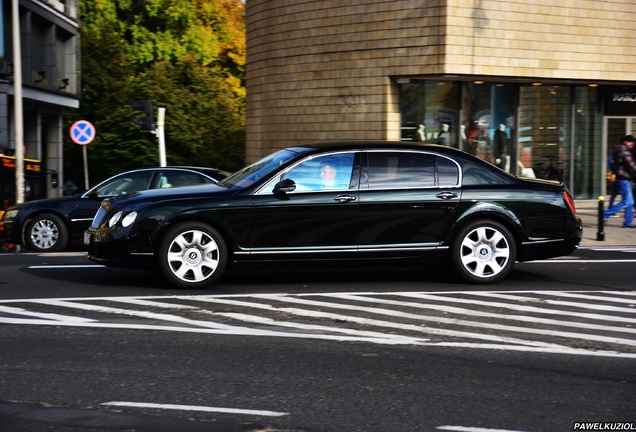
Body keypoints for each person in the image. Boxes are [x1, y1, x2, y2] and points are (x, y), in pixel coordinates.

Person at [604, 135, 636, 227]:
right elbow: (631, 164)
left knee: (630, 202)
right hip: (623, 178)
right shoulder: (624, 150)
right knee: (626, 201)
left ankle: (627, 222)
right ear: (626, 141)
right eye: (631, 142)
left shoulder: (619, 148)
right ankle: (605, 214)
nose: (632, 144)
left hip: (623, 178)